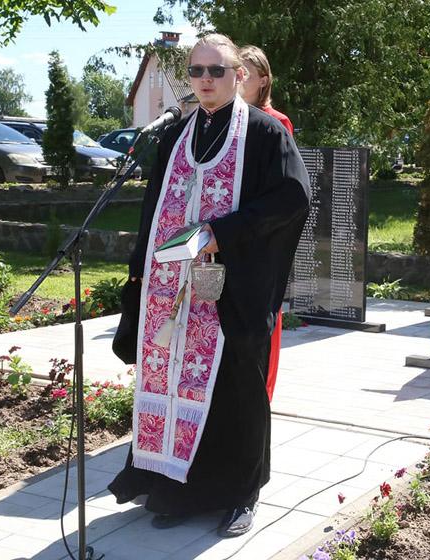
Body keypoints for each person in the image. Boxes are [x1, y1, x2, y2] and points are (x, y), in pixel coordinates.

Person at [108, 33, 310, 538]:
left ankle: (241, 494)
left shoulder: (264, 133)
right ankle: (180, 490)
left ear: (238, 75)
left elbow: (292, 198)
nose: (205, 80)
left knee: (236, 391)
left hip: (231, 290)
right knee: (176, 385)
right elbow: (153, 207)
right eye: (196, 71)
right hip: (171, 291)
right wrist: (140, 268)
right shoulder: (176, 135)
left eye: (216, 70)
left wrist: (225, 233)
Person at [238, 45, 295, 402]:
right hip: (227, 237)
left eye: (246, 73)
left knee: (261, 323)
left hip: (258, 237)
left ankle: (262, 397)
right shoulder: (224, 121)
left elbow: (282, 190)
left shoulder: (276, 123)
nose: (239, 78)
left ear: (263, 80)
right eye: (236, 71)